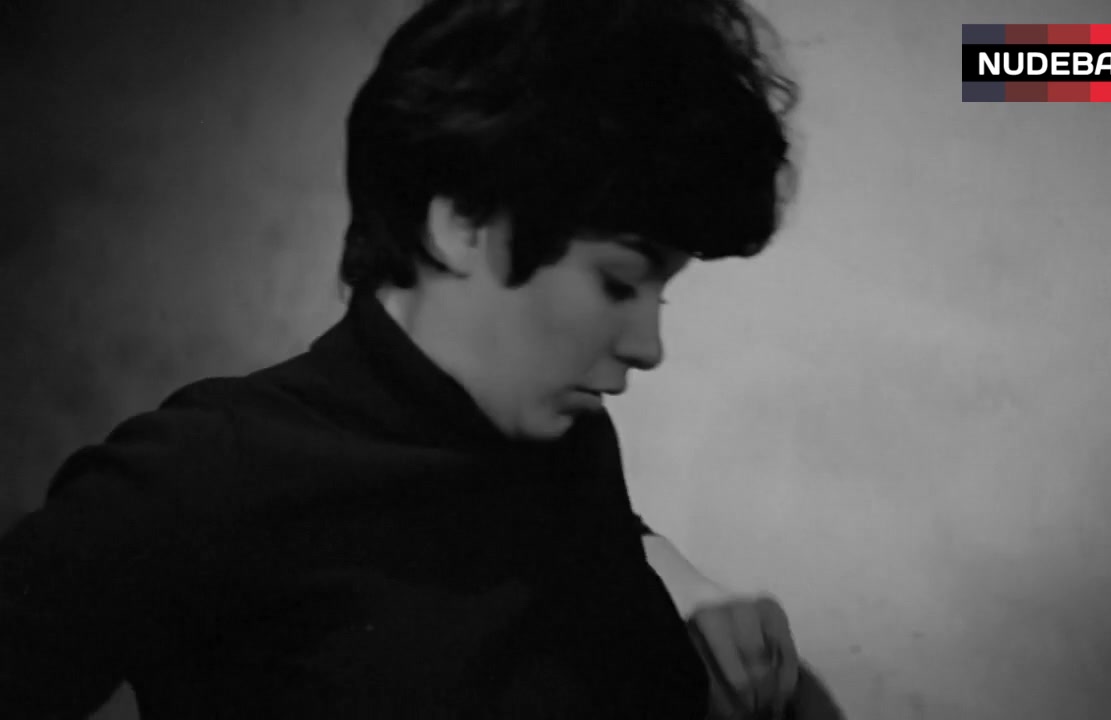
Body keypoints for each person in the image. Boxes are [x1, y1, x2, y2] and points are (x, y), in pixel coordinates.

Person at [0, 0, 846, 717]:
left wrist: (702, 614)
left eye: (663, 292)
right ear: (463, 223)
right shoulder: (204, 471)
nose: (648, 347)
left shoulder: (565, 439)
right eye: (620, 281)